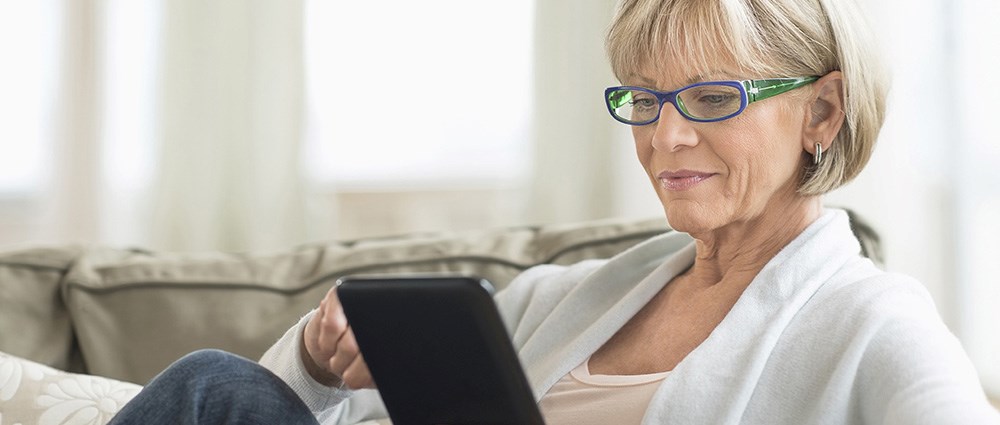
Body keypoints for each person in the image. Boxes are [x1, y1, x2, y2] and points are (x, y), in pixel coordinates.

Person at [110, 0, 1000, 423]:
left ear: (823, 112)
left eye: (711, 97)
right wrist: (317, 355)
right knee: (217, 387)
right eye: (644, 101)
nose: (666, 138)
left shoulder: (874, 324)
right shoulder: (564, 298)